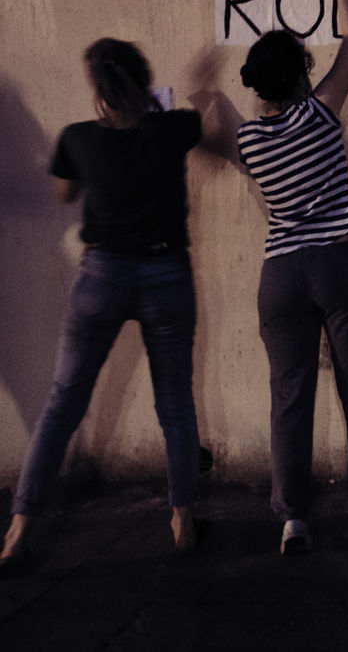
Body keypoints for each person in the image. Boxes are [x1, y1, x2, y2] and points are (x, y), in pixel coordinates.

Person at [1, 39, 203, 577]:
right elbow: (202, 125)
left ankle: (18, 531)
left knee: (63, 404)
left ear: (98, 89)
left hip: (102, 275)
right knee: (175, 403)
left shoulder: (77, 138)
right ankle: (183, 519)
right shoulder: (173, 128)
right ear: (144, 81)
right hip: (166, 272)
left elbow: (64, 195)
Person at [236, 0, 348, 555]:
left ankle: (293, 519)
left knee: (290, 395)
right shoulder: (320, 115)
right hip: (338, 265)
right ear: (302, 73)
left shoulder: (250, 140)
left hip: (281, 274)